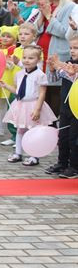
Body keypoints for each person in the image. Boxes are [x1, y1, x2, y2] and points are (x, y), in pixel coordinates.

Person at [0, 45, 58, 166]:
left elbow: (42, 93)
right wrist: (6, 86)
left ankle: (34, 156)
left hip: (34, 104)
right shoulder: (19, 73)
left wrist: (37, 109)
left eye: (31, 58)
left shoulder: (40, 75)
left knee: (34, 131)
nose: (27, 60)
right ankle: (18, 153)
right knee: (20, 130)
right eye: (25, 57)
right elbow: (18, 91)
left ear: (38, 59)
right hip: (21, 105)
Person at [42, 0, 78, 117]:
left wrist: (49, 16)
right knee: (43, 92)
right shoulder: (46, 5)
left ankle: (54, 128)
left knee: (55, 93)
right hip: (42, 53)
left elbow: (64, 32)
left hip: (58, 53)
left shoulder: (70, 7)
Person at [47, 37, 78, 178]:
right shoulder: (68, 64)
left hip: (76, 109)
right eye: (71, 48)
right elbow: (54, 80)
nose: (72, 51)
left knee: (74, 138)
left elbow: (73, 77)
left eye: (76, 48)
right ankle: (62, 163)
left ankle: (74, 166)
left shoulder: (71, 67)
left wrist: (62, 66)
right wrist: (53, 69)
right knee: (63, 137)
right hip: (65, 107)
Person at [0, 25, 20, 146]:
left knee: (4, 103)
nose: (5, 38)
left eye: (8, 36)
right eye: (3, 35)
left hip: (7, 79)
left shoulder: (13, 50)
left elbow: (11, 65)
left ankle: (1, 127)